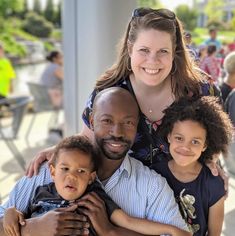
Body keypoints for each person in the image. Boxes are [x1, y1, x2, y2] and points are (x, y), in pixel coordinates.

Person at [27, 8, 223, 182]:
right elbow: (90, 137)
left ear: (175, 52)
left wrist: (213, 164)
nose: (152, 61)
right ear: (130, 49)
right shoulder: (107, 91)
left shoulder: (201, 91)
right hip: (129, 203)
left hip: (189, 200)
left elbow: (215, 139)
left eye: (163, 51)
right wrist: (59, 149)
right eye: (144, 50)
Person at [0, 87, 190, 236]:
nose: (117, 132)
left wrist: (110, 231)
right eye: (107, 120)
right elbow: (6, 216)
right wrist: (31, 230)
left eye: (128, 123)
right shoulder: (46, 169)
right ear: (91, 120)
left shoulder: (152, 186)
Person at [152, 96, 233, 236]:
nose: (185, 147)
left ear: (205, 145)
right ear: (169, 136)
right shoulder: (154, 173)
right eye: (179, 138)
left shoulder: (213, 183)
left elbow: (214, 234)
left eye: (195, 142)